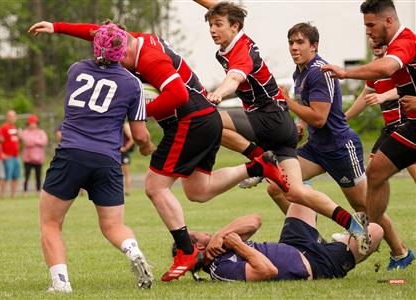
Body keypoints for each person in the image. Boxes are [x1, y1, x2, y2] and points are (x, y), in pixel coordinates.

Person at [28, 19, 288, 282]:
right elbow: (103, 35)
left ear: (126, 51)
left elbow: (178, 95)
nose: (116, 61)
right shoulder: (134, 42)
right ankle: (257, 167)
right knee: (198, 190)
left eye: (118, 56)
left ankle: (186, 251)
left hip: (190, 120)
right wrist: (57, 27)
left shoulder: (149, 59)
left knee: (154, 186)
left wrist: (137, 113)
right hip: (206, 118)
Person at [194, 0, 368, 254]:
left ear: (235, 27)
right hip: (281, 126)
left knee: (209, 119)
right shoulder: (235, 37)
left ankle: (258, 161)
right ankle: (350, 222)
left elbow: (234, 78)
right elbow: (221, 6)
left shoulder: (242, 51)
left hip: (270, 119)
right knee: (295, 191)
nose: (212, 30)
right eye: (210, 25)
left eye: (218, 25)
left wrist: (218, 94)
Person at [271, 22, 411, 270]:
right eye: (291, 42)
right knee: (277, 185)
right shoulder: (299, 72)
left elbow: (320, 117)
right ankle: (309, 236)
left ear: (314, 46)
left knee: (365, 206)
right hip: (316, 148)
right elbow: (310, 112)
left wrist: (288, 102)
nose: (294, 47)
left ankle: (400, 253)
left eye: (300, 42)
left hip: (340, 149)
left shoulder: (319, 71)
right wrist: (301, 122)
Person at [30, 22, 156, 292]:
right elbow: (140, 134)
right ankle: (133, 251)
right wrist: (147, 148)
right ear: (124, 49)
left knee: (50, 223)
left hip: (72, 153)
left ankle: (61, 283)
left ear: (96, 46)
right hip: (107, 159)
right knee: (113, 225)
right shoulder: (132, 83)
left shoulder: (76, 69)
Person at [321, 0, 415, 267]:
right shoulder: (394, 48)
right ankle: (370, 233)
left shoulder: (405, 41)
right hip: (410, 126)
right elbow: (374, 84)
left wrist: (345, 73)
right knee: (375, 172)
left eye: (371, 25)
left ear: (388, 21)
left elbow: (387, 68)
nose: (367, 32)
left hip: (409, 124)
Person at [187, 203, 383, 282]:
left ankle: (331, 239)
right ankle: (340, 245)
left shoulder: (222, 243)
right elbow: (267, 271)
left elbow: (255, 220)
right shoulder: (220, 268)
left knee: (302, 198)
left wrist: (222, 234)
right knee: (375, 230)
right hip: (317, 264)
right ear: (199, 246)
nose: (207, 233)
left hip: (292, 245)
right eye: (203, 234)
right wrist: (238, 245)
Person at [345, 40, 416, 182]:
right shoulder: (376, 69)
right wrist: (343, 117)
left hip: (405, 125)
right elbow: (365, 97)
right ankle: (372, 205)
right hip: (390, 129)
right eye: (370, 37)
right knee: (373, 175)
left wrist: (383, 96)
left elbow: (406, 89)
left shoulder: (398, 62)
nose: (374, 42)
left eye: (378, 40)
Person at [19, 114, 48, 196]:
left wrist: (33, 141)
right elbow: (26, 142)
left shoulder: (41, 132)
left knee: (38, 176)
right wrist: (37, 141)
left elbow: (44, 142)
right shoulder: (25, 132)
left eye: (34, 123)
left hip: (38, 159)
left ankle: (38, 191)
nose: (33, 125)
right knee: (26, 176)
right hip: (28, 158)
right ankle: (25, 191)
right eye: (31, 123)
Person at [0, 110, 21, 198]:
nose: (12, 118)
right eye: (10, 116)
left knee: (15, 176)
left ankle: (14, 195)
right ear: (7, 117)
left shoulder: (15, 127)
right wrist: (1, 154)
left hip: (16, 156)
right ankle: (3, 194)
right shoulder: (4, 128)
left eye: (14, 116)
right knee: (6, 176)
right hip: (7, 156)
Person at [121, 122, 135, 196]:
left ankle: (127, 191)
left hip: (123, 153)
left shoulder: (125, 125)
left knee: (126, 172)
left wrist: (125, 148)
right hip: (116, 152)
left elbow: (132, 139)